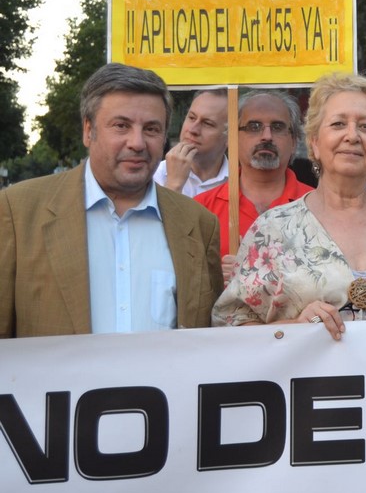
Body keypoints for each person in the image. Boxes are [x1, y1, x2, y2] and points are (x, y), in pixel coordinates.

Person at [212, 73, 366, 342]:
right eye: (338, 124)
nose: (352, 136)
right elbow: (228, 326)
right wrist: (294, 327)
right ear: (314, 142)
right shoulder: (273, 229)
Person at [0, 63, 223, 338]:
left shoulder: (199, 224)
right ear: (88, 130)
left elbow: (209, 344)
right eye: (121, 126)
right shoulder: (17, 212)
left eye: (152, 129)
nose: (137, 143)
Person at [195, 90, 314, 270]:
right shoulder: (201, 211)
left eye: (277, 127)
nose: (266, 136)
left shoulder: (318, 208)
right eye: (254, 126)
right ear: (232, 139)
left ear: (294, 143)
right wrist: (215, 279)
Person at [153, 88, 229, 197]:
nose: (193, 130)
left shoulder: (239, 181)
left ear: (229, 137)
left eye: (207, 123)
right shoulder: (153, 175)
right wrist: (173, 185)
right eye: (192, 118)